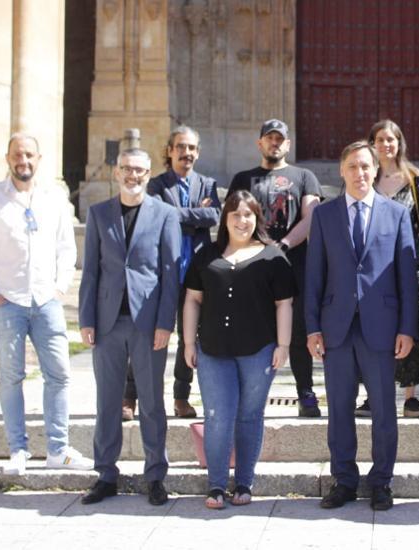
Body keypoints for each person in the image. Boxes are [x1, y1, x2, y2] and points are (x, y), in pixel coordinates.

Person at [0, 133, 93, 475]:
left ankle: (58, 449)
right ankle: (18, 450)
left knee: (59, 374)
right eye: (17, 155)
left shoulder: (53, 199)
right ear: (8, 158)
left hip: (45, 301)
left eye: (29, 155)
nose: (24, 161)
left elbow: (67, 248)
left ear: (39, 158)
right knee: (11, 376)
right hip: (7, 302)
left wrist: (59, 287)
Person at [304, 141, 418, 511]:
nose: (360, 173)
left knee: (384, 408)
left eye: (366, 166)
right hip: (336, 327)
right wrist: (311, 327)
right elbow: (314, 276)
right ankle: (344, 480)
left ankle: (382, 481)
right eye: (352, 166)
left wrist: (408, 328)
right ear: (342, 171)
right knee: (339, 408)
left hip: (381, 327)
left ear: (376, 169)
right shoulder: (324, 215)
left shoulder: (396, 214)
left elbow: (406, 276)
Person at [79, 148, 181, 506]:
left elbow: (171, 274)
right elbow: (90, 270)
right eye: (126, 169)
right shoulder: (98, 213)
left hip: (148, 323)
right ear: (117, 172)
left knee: (152, 401)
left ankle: (155, 475)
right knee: (107, 401)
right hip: (107, 323)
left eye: (138, 169)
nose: (132, 175)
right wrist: (86, 319)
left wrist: (166, 323)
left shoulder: (166, 215)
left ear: (149, 173)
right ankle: (106, 474)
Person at [182, 191, 294, 509]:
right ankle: (216, 486)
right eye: (235, 215)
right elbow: (192, 299)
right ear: (225, 219)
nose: (242, 221)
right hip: (213, 351)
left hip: (258, 351)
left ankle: (244, 482)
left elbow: (284, 303)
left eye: (248, 214)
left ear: (257, 218)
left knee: (249, 416)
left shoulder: (273, 257)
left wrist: (283, 345)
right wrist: (189, 343)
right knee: (218, 417)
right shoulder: (207, 254)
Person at [121, 126, 221, 421]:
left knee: (189, 337)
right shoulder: (156, 185)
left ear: (198, 153)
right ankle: (130, 396)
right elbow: (154, 216)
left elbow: (213, 216)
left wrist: (175, 213)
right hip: (162, 273)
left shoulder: (207, 184)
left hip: (196, 275)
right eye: (180, 147)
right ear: (169, 150)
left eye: (191, 148)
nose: (186, 153)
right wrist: (193, 214)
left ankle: (181, 397)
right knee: (148, 335)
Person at [228, 119, 322, 417]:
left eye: (280, 138)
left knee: (297, 331)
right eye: (269, 138)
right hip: (253, 266)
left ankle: (306, 394)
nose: (275, 143)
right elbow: (232, 219)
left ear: (288, 144)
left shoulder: (304, 176)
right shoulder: (244, 178)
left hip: (294, 264)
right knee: (252, 330)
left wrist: (282, 245)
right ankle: (248, 397)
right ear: (260, 143)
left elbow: (312, 216)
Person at [353, 119, 419, 418]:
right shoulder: (365, 178)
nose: (386, 145)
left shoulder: (415, 179)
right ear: (372, 144)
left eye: (391, 139)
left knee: (410, 324)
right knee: (371, 328)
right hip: (371, 265)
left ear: (399, 143)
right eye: (379, 140)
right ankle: (371, 395)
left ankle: (410, 396)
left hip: (408, 262)